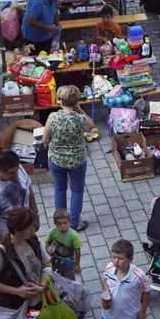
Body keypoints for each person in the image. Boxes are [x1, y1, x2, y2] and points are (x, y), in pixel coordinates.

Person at [0, 206, 47, 319]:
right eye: (29, 229)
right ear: (16, 231)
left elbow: (46, 265)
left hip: (38, 304)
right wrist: (17, 291)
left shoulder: (32, 240)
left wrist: (42, 287)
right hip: (15, 309)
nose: (33, 231)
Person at [42, 85, 95, 232]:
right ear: (76, 101)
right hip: (77, 160)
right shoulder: (79, 119)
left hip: (56, 160)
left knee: (60, 189)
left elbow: (45, 140)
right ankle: (74, 223)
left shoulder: (52, 117)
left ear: (60, 100)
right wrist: (79, 109)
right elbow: (91, 126)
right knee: (77, 190)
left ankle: (60, 223)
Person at [0, 149, 38, 252]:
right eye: (11, 173)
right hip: (5, 240)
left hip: (22, 235)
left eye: (17, 170)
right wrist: (2, 249)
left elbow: (29, 190)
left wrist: (35, 217)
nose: (16, 174)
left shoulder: (17, 169)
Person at [101, 240, 151, 319]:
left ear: (130, 259)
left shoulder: (139, 276)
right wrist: (106, 292)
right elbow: (106, 279)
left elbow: (147, 292)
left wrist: (142, 311)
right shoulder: (109, 268)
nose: (116, 261)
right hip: (107, 317)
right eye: (113, 257)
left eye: (120, 258)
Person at [46, 208, 82, 279]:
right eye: (59, 224)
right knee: (54, 277)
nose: (62, 226)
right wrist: (47, 249)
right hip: (54, 260)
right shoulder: (52, 232)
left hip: (69, 263)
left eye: (65, 223)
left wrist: (76, 264)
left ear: (70, 222)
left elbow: (77, 250)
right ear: (55, 224)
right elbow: (48, 240)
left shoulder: (74, 235)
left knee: (69, 280)